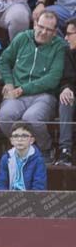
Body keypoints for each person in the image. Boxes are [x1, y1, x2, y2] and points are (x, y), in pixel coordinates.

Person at [0, 10, 63, 153]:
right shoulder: (22, 38)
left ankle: (45, 148)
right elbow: (4, 61)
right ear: (35, 24)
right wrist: (8, 82)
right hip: (16, 93)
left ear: (55, 32)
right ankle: (24, 149)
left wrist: (23, 89)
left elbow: (53, 79)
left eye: (49, 29)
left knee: (31, 118)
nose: (43, 32)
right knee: (5, 116)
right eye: (41, 26)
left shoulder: (60, 47)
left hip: (44, 95)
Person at [0, 123, 47, 189]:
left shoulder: (38, 160)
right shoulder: (6, 158)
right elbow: (1, 183)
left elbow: (39, 186)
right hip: (9, 196)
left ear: (32, 140)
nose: (19, 139)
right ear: (11, 141)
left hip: (30, 197)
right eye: (16, 136)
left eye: (24, 136)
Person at [57, 17, 76, 165]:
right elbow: (67, 78)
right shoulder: (68, 52)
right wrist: (66, 88)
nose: (65, 37)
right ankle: (65, 150)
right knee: (66, 99)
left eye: (69, 34)